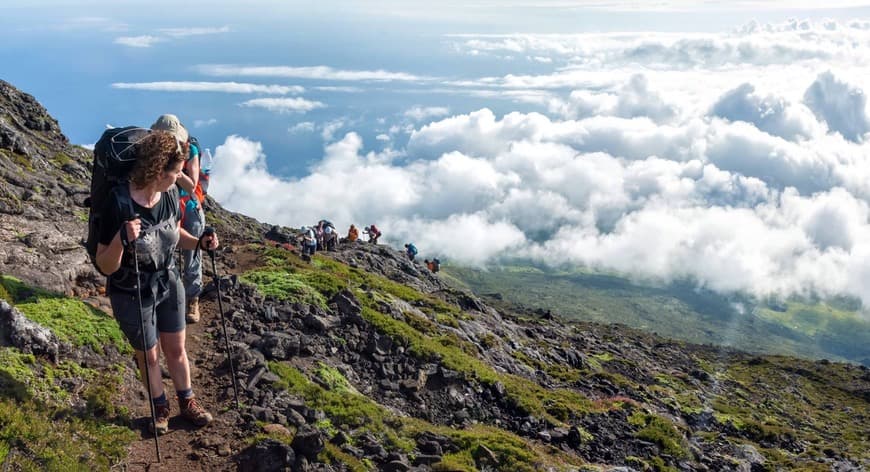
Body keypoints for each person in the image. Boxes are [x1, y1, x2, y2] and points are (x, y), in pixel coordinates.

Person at [95, 131, 217, 435]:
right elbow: (105, 264)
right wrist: (122, 240)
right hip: (131, 289)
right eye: (176, 171)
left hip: (167, 279)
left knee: (176, 348)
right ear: (158, 172)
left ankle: (187, 402)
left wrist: (200, 243)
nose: (180, 177)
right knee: (149, 354)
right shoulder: (119, 203)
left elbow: (173, 239)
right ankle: (160, 406)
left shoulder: (171, 195)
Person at [151, 114, 205, 324]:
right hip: (164, 208)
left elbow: (192, 185)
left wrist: (174, 168)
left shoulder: (189, 150)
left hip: (188, 207)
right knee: (164, 250)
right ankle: (167, 296)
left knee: (192, 251)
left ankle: (192, 298)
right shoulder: (152, 150)